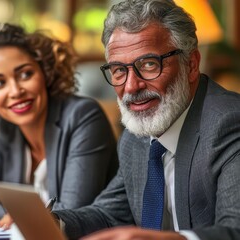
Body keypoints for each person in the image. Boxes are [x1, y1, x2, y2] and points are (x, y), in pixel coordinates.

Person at [52, 0, 240, 239]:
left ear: (191, 65)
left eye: (149, 64)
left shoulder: (230, 124)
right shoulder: (136, 135)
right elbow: (110, 214)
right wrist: (56, 223)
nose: (131, 86)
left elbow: (235, 230)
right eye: (119, 70)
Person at [0, 22, 118, 225]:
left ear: (45, 73)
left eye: (25, 74)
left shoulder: (83, 117)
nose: (16, 91)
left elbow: (71, 213)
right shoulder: (7, 129)